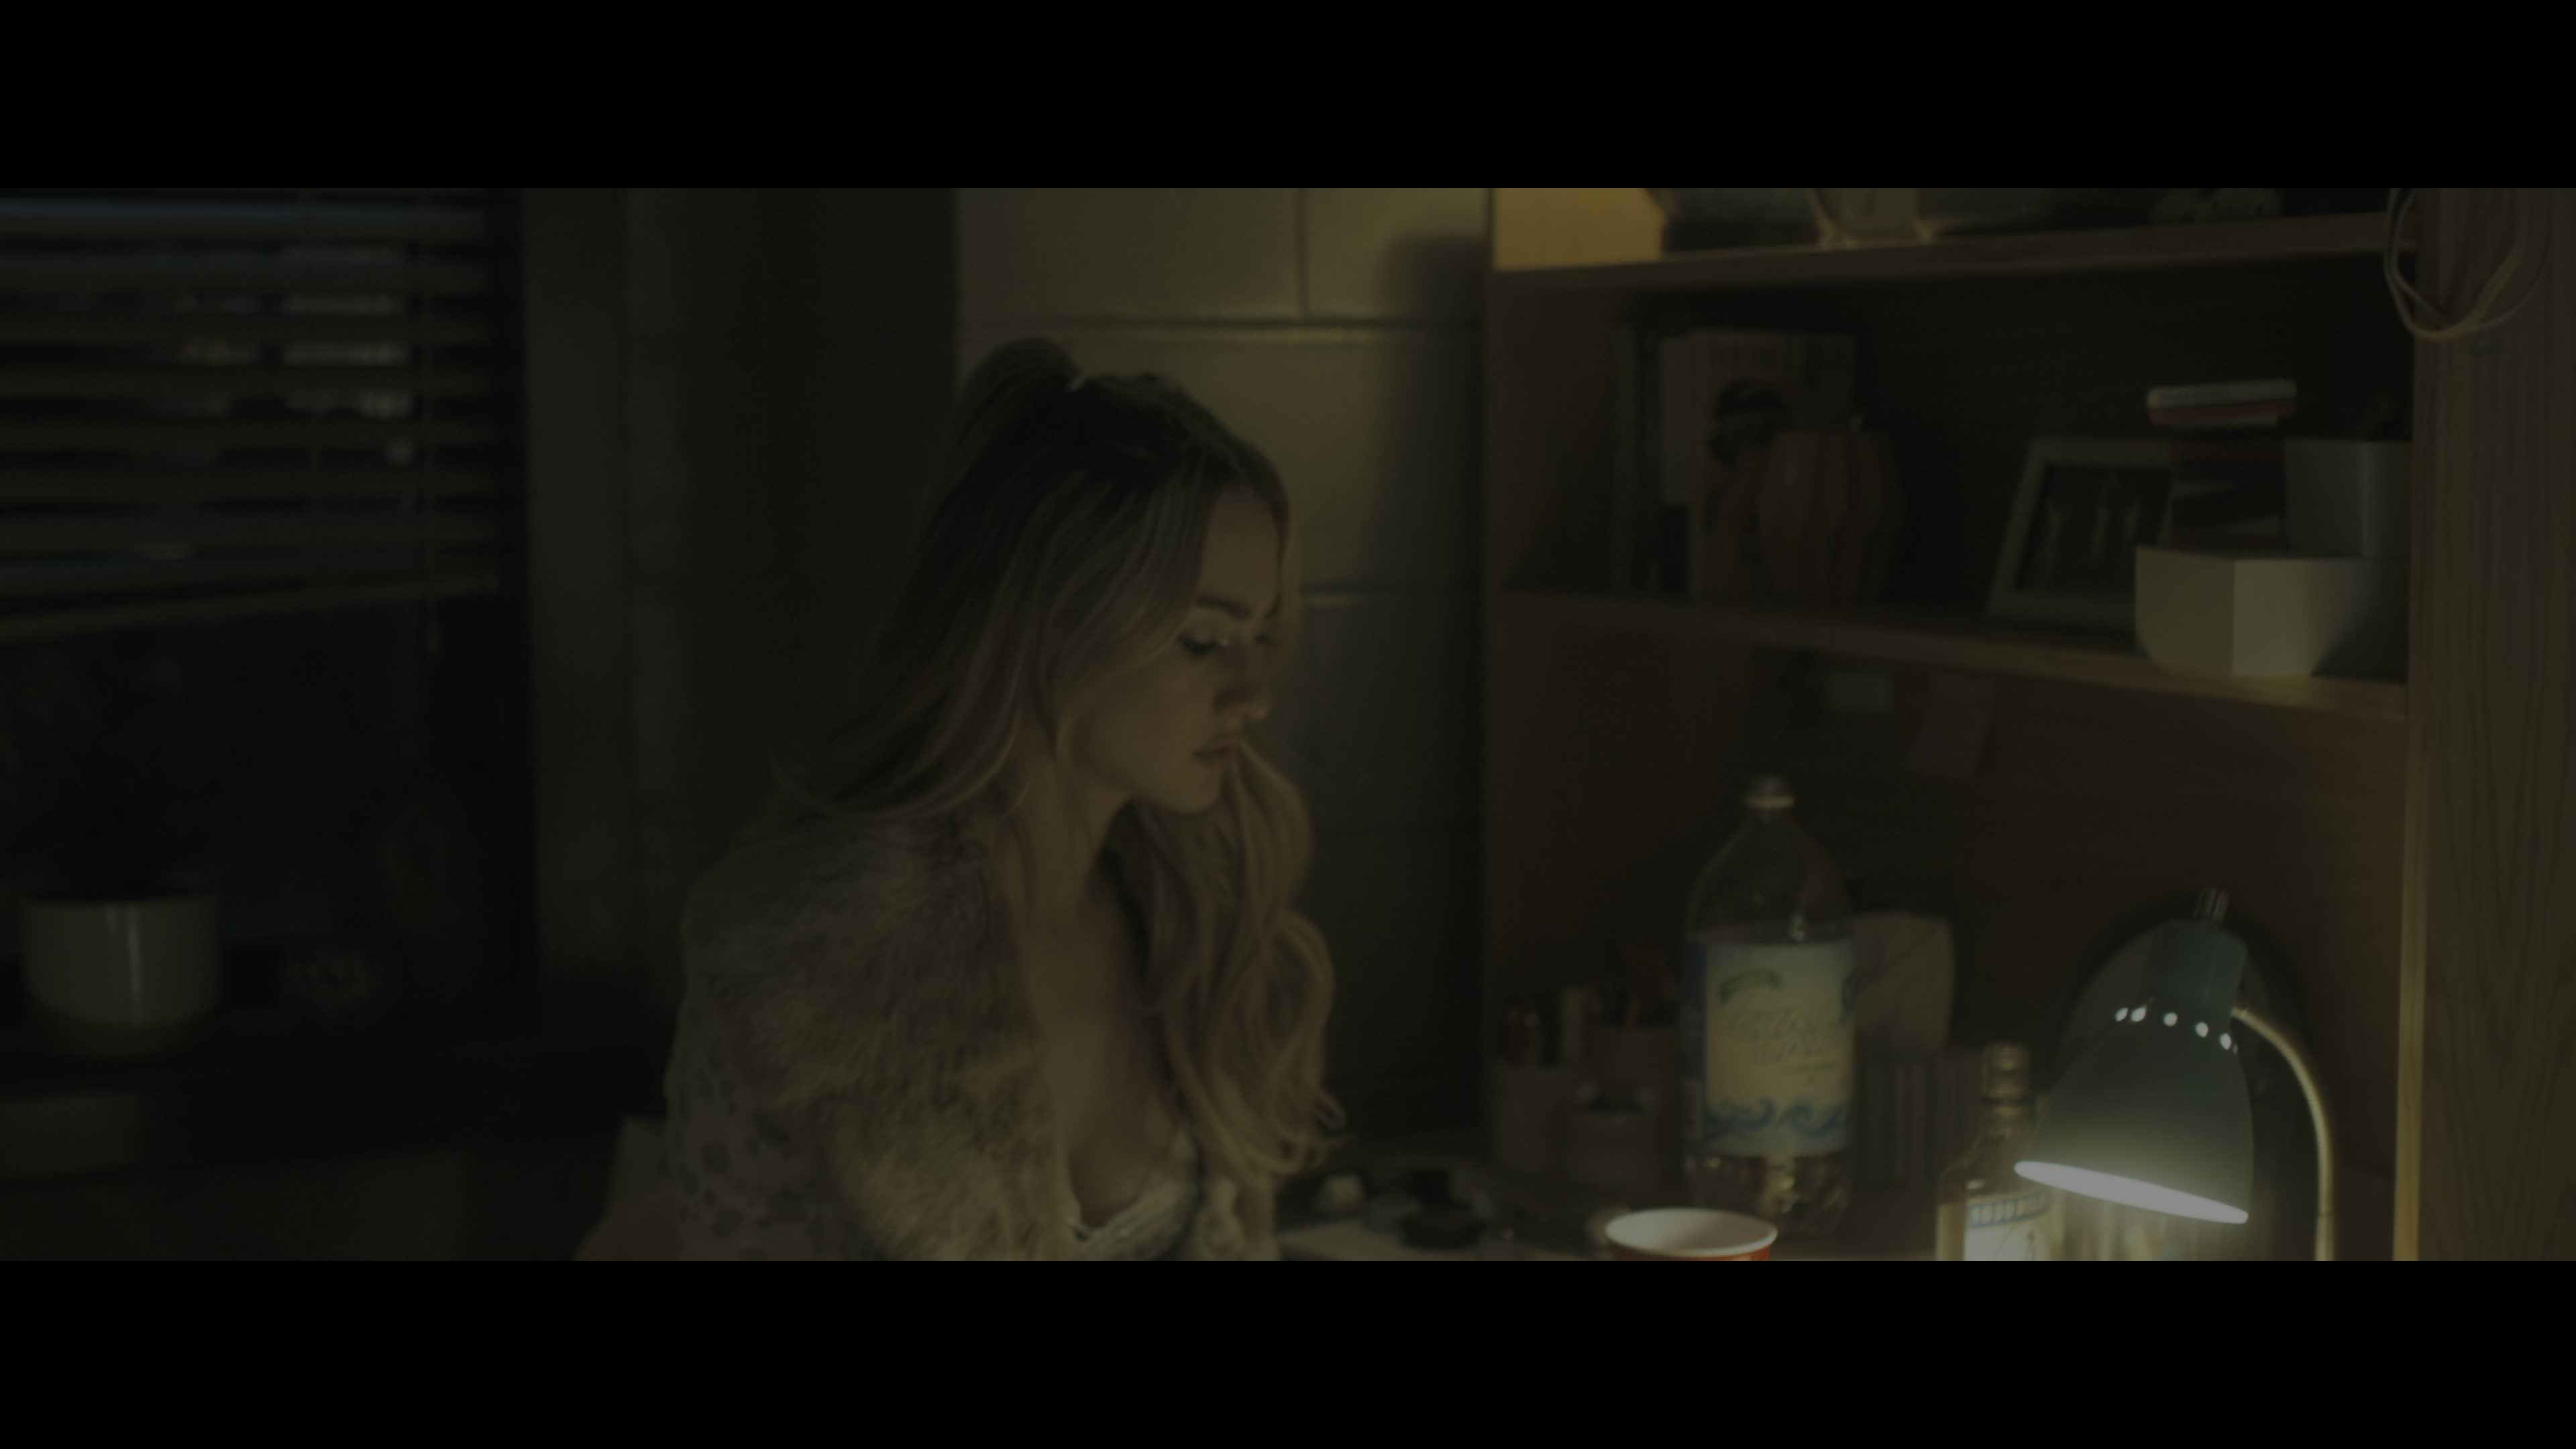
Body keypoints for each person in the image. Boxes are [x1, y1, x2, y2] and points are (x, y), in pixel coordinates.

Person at [655, 338, 1350, 1259]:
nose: (1253, 695)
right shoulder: (799, 966)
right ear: (1051, 626)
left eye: (1261, 637)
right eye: (1203, 640)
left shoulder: (1201, 918)